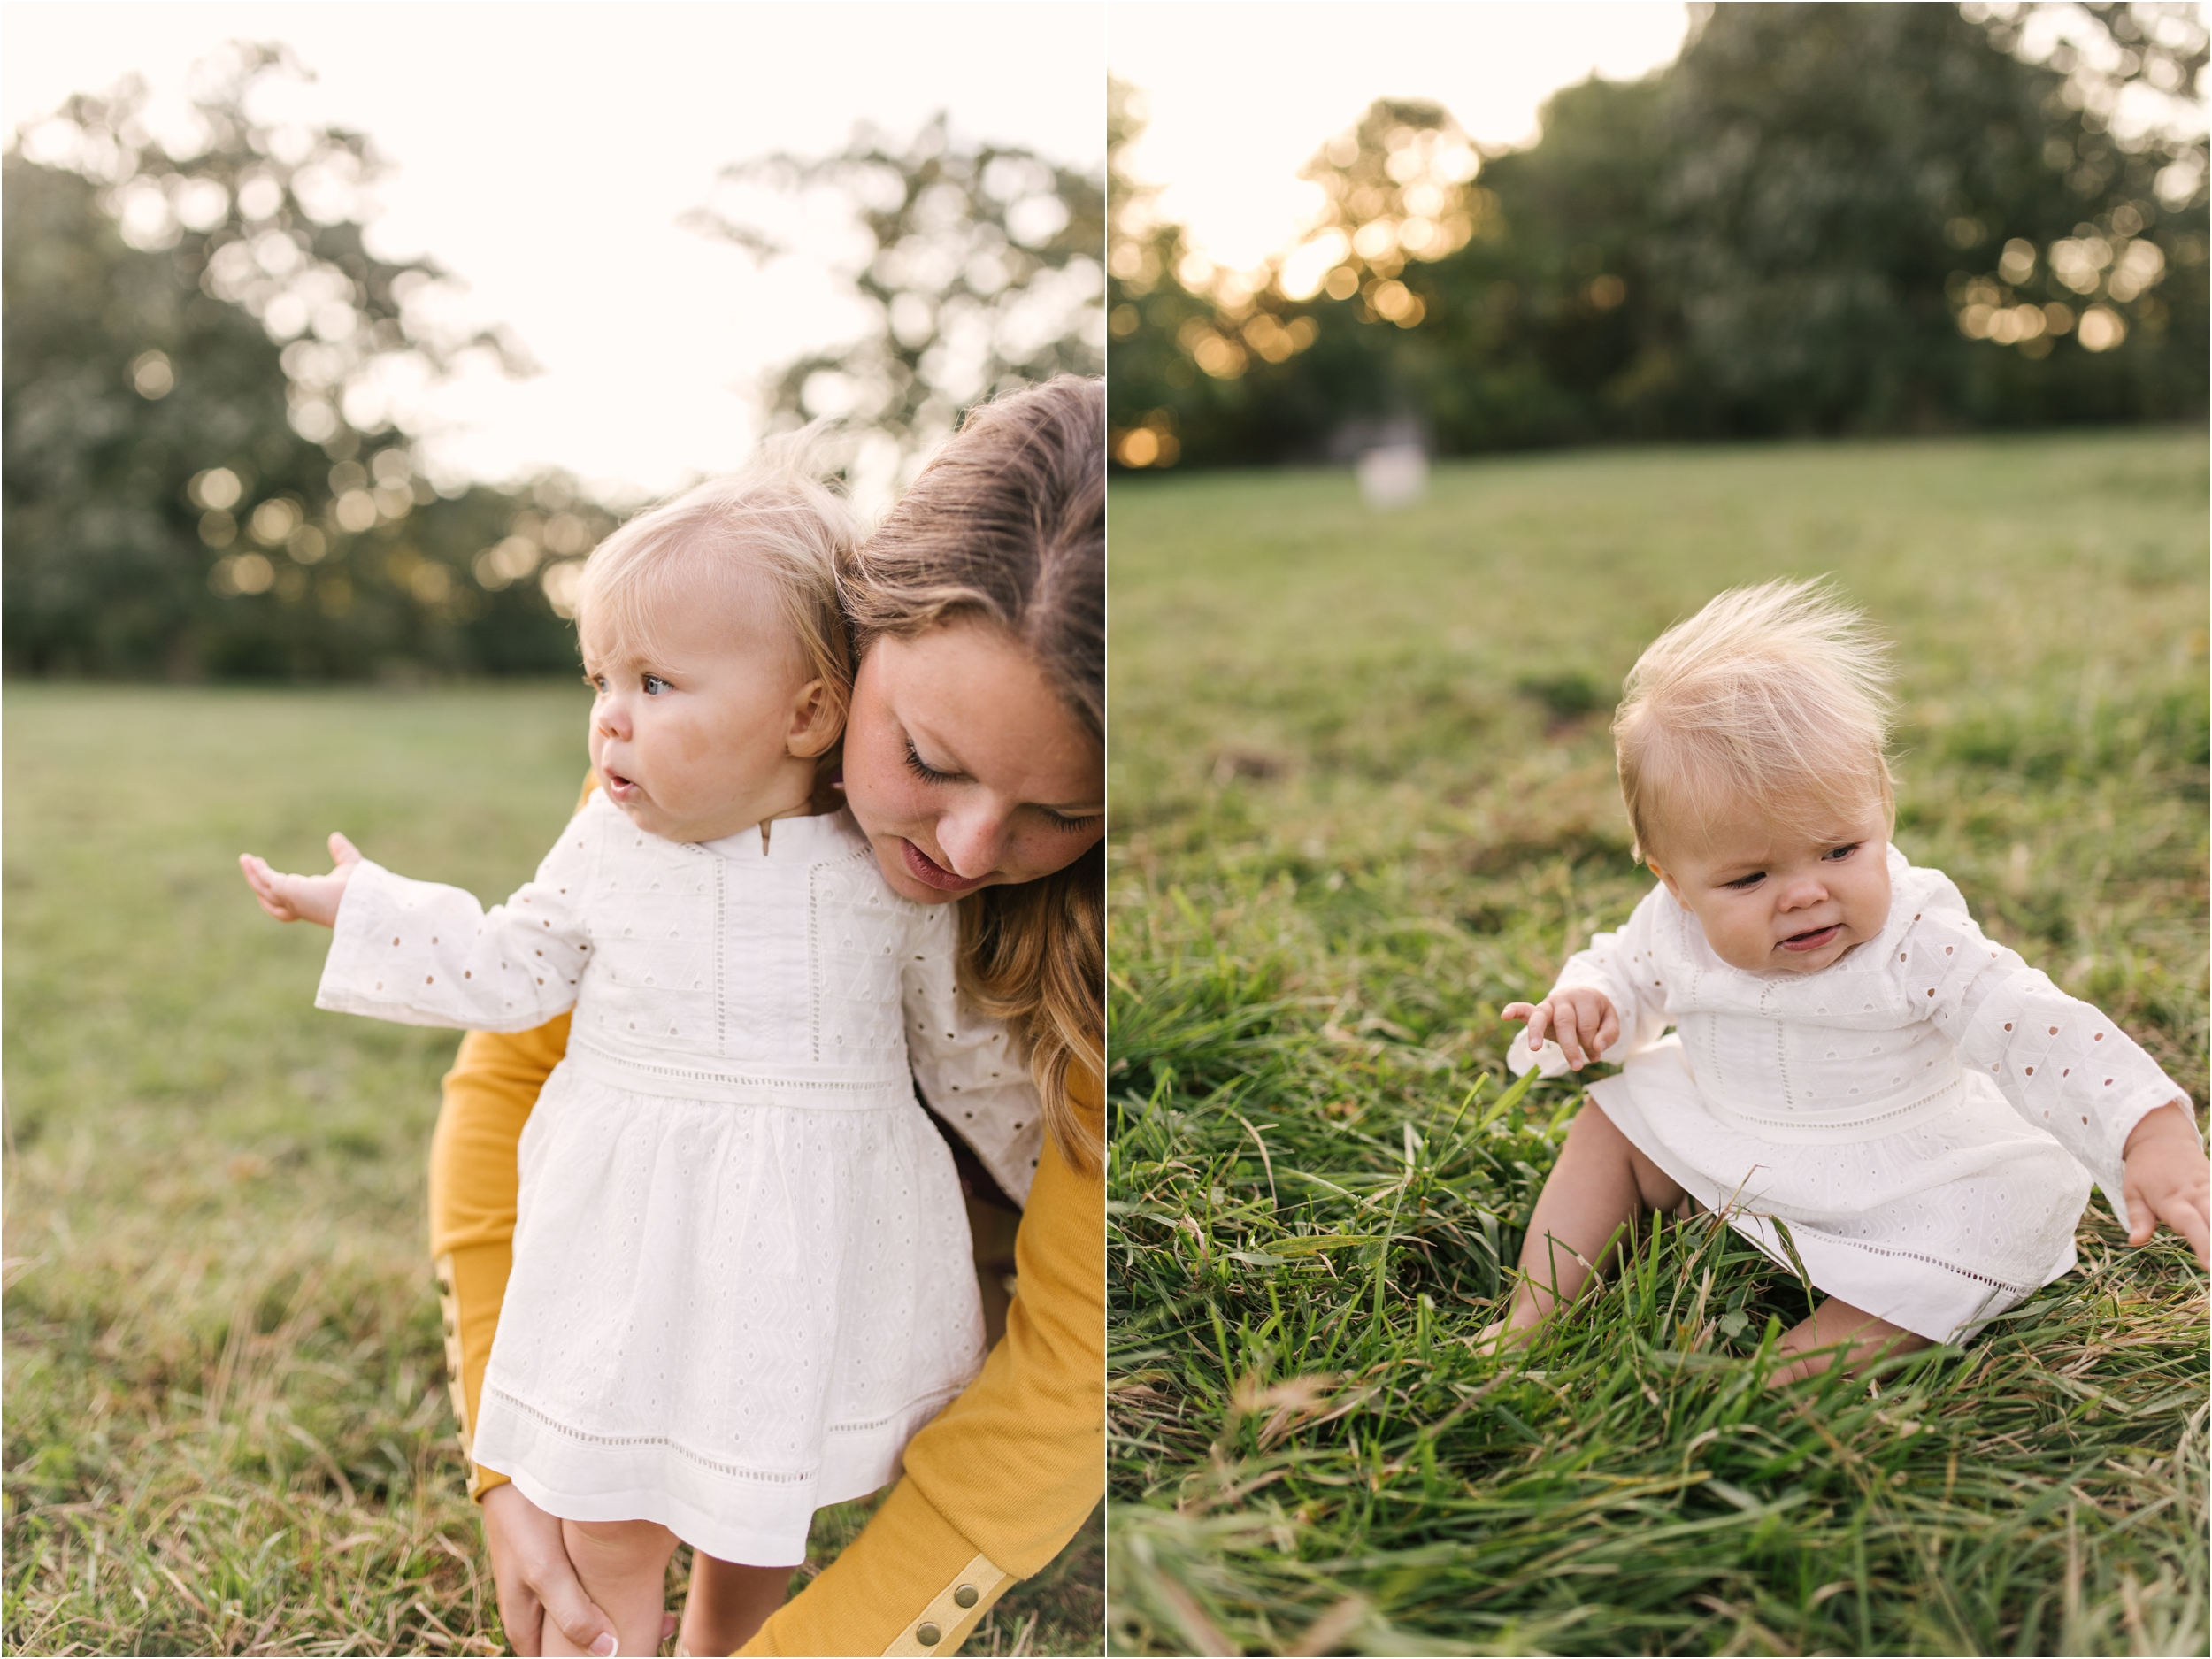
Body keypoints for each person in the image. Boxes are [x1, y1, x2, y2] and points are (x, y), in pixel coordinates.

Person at [242, 436, 1044, 1654]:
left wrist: (1049, 1180)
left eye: (657, 684)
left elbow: (958, 1043)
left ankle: (721, 1640)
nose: (610, 718)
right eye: (598, 679)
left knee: (756, 1495)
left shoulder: (893, 871)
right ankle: (605, 1630)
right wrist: (371, 907)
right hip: (633, 1219)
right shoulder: (610, 848)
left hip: (803, 1232)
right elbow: (515, 961)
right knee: (611, 1497)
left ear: (807, 712)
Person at [431, 379, 1105, 1656]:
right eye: (929, 756)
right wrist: (506, 1457)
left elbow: (1075, 1353)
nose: (967, 846)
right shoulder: (691, 764)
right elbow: (511, 1086)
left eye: (1058, 812)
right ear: (830, 675)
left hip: (933, 1246)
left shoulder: (1113, 954)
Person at [1494, 578, 2208, 1384]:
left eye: (1839, 851)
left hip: (1900, 1174)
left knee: (1970, 1239)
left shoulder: (1917, 937)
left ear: (1883, 811)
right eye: (1750, 877)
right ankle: (1532, 1315)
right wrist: (1590, 1002)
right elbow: (1618, 971)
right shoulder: (1671, 926)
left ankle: (1788, 1370)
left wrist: (2145, 1128)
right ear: (1674, 881)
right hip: (1737, 1136)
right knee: (1612, 1122)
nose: (1805, 892)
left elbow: (2033, 1024)